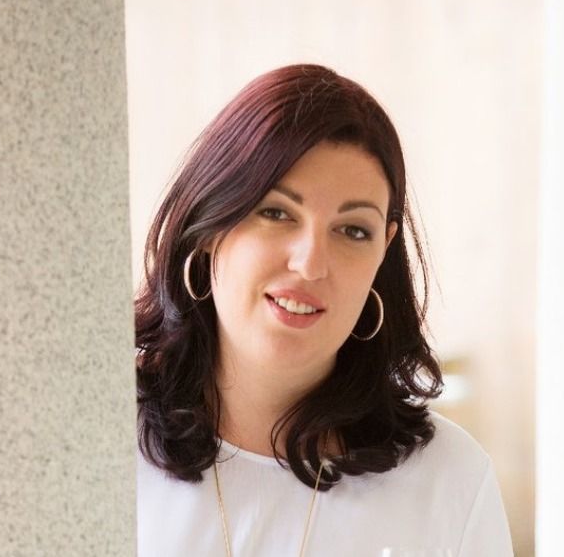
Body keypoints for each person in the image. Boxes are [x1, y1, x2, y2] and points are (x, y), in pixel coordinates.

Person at [134, 64, 513, 556]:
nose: (311, 264)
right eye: (276, 213)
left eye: (353, 230)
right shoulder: (99, 441)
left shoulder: (449, 482)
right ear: (209, 226)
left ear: (383, 251)